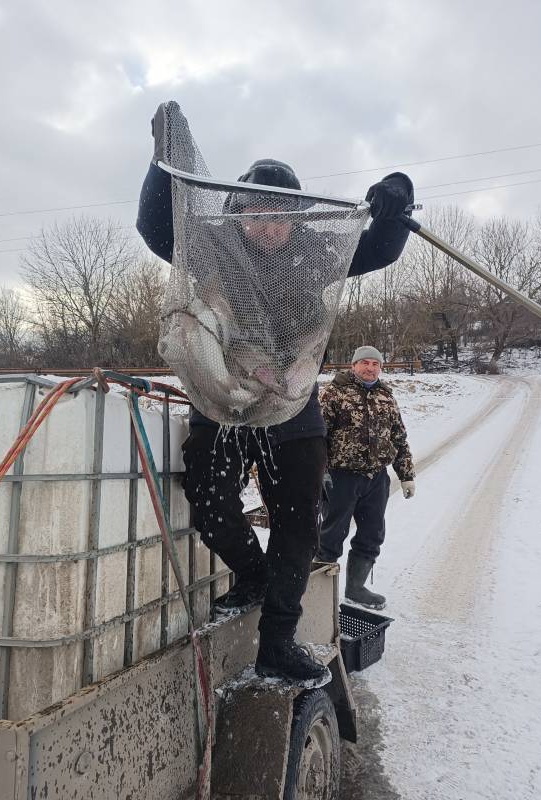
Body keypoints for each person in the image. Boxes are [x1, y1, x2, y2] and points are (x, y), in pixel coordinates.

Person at [137, 132, 414, 684]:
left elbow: (382, 247)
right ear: (237, 215)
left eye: (280, 215)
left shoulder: (320, 252)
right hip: (224, 399)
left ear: (298, 218)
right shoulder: (211, 246)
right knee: (210, 501)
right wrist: (161, 167)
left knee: (298, 523)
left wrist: (396, 197)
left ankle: (278, 639)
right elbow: (155, 228)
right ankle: (254, 573)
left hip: (293, 405)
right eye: (255, 213)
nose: (267, 225)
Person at [317, 346, 415, 610]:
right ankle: (317, 594)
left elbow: (399, 437)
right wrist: (320, 473)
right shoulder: (334, 394)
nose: (370, 368)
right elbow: (318, 438)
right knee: (330, 535)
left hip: (376, 479)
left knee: (372, 534)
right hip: (341, 477)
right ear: (354, 366)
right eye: (365, 363)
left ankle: (356, 589)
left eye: (375, 364)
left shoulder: (386, 396)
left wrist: (406, 475)